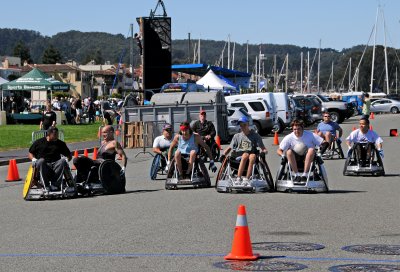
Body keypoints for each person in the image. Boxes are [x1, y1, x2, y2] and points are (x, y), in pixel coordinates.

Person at [219, 116, 267, 184]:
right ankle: (238, 178)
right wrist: (223, 154)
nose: (242, 127)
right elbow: (230, 148)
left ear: (248, 124)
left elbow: (264, 149)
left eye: (244, 125)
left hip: (251, 154)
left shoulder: (255, 135)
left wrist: (263, 153)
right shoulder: (237, 136)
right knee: (245, 155)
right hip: (239, 155)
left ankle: (247, 178)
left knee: (252, 156)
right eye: (241, 125)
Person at [28, 126, 73, 191]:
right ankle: (45, 185)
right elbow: (30, 153)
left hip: (56, 166)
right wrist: (33, 159)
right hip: (44, 166)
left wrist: (67, 160)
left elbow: (69, 156)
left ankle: (55, 185)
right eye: (55, 135)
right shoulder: (39, 142)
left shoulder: (60, 144)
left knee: (62, 161)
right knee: (41, 161)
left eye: (57, 134)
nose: (57, 136)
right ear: (49, 134)